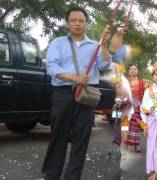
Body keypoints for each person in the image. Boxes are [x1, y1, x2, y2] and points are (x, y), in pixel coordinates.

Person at [39, 7, 112, 180]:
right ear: (67, 23)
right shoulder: (58, 43)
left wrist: (105, 44)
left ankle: (72, 177)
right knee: (58, 135)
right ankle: (51, 174)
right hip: (63, 93)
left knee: (82, 137)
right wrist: (74, 77)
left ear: (86, 24)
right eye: (74, 20)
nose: (78, 24)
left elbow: (104, 66)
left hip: (86, 95)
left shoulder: (95, 45)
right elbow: (52, 67)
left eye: (81, 21)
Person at [124, 64, 146, 152]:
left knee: (136, 126)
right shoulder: (126, 81)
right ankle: (125, 144)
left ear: (137, 71)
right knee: (125, 126)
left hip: (137, 108)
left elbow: (144, 94)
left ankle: (137, 145)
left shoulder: (141, 82)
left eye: (135, 69)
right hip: (127, 107)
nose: (133, 70)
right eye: (131, 69)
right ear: (129, 71)